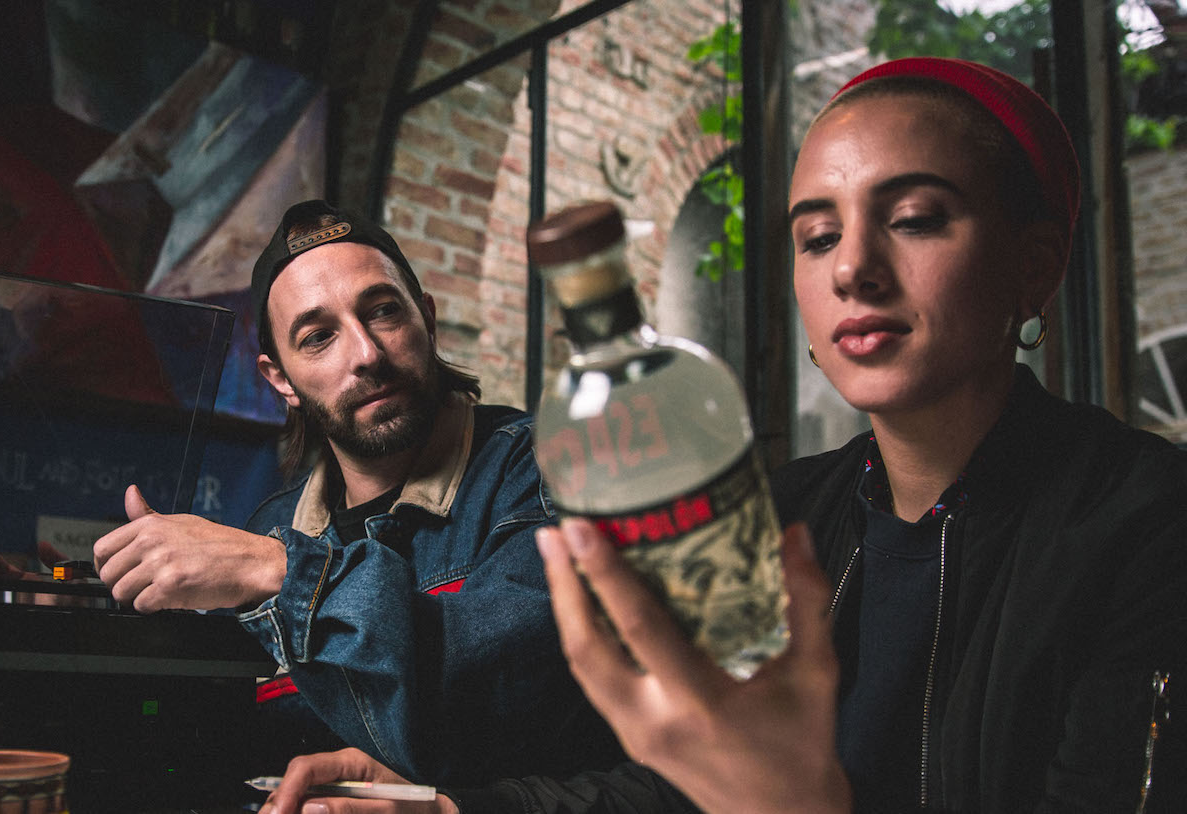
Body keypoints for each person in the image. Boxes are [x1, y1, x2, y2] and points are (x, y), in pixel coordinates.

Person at [254, 58, 1187, 814]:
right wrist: (455, 807)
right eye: (818, 237)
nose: (854, 268)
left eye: (913, 220)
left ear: (1035, 266)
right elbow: (677, 789)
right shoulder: (791, 512)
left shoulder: (1147, 524)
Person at [88, 199, 622, 787]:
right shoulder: (273, 524)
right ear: (280, 379)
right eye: (319, 337)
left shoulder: (544, 469)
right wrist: (84, 606)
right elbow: (214, 728)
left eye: (384, 311)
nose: (367, 354)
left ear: (427, 320)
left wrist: (282, 572)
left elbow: (508, 701)